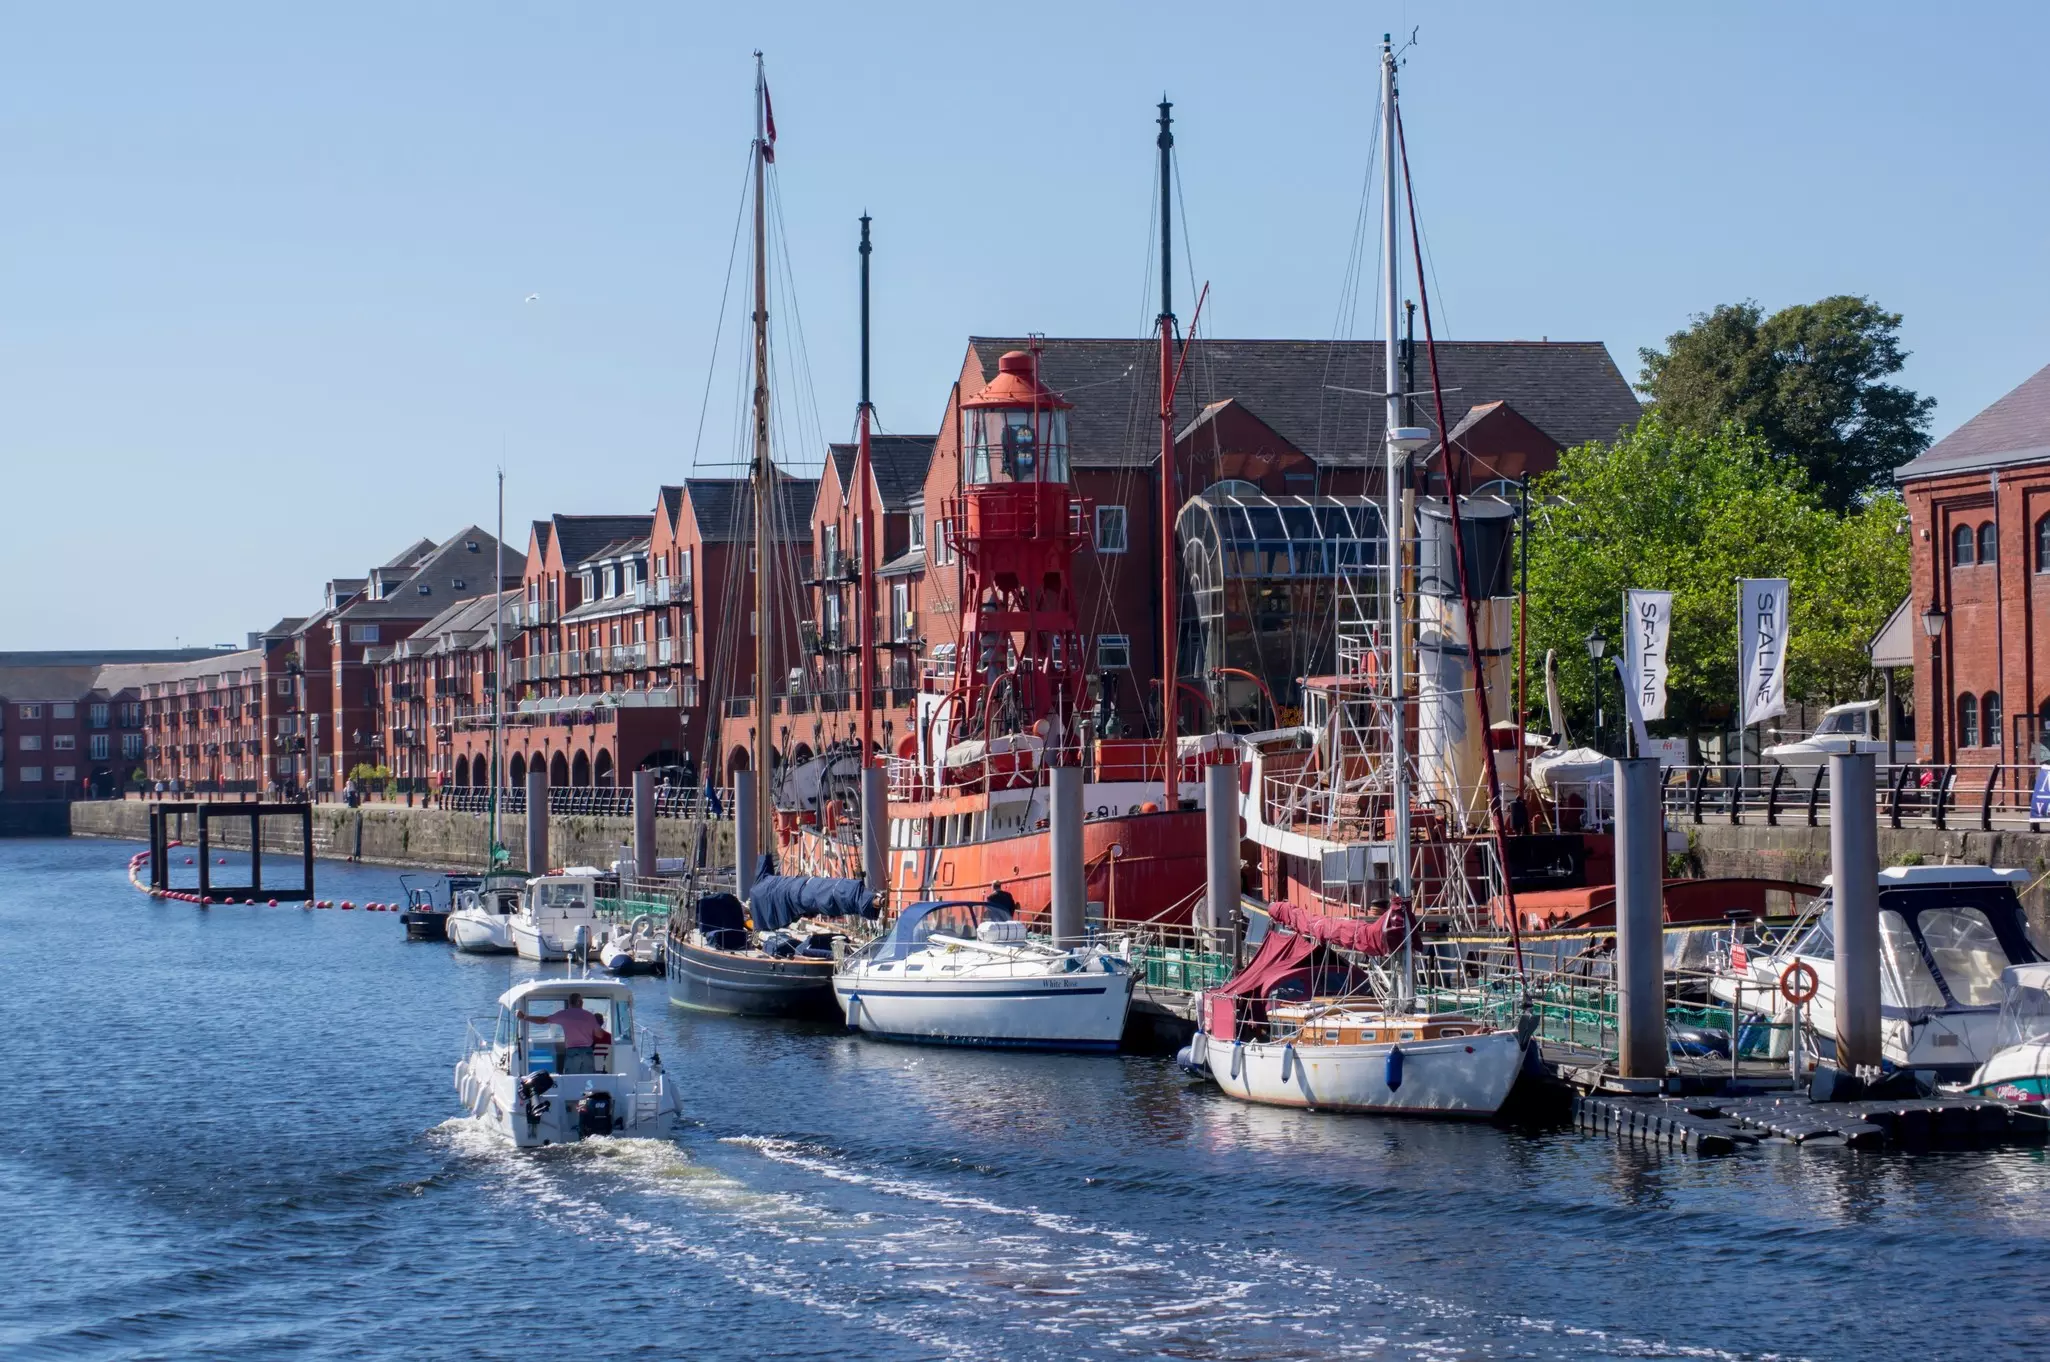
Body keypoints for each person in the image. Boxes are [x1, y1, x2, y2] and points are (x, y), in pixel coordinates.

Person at [517, 992, 603, 1073]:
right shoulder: (589, 1016)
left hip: (572, 1053)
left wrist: (524, 1017)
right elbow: (599, 1034)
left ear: (569, 1003)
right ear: (580, 1003)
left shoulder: (564, 1014)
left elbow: (542, 1020)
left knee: (572, 1081)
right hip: (587, 1052)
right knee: (589, 1081)